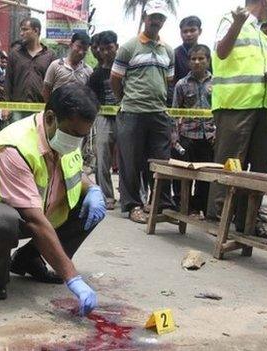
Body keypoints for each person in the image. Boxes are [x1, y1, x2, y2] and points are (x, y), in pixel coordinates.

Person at [0, 83, 105, 316]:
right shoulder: (16, 145)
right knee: (3, 221)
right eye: (73, 134)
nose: (76, 141)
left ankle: (29, 260)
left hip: (37, 210)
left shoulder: (64, 134)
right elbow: (33, 220)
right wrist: (72, 278)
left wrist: (93, 190)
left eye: (82, 136)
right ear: (51, 117)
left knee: (88, 208)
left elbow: (73, 172)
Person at [206, 0, 267, 239]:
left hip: (261, 108)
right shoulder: (232, 20)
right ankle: (219, 220)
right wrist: (237, 24)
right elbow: (221, 52)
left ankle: (248, 222)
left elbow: (263, 72)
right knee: (230, 165)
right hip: (235, 105)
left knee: (258, 170)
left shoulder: (262, 36)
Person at [110, 0, 176, 223]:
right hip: (132, 112)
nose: (156, 21)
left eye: (160, 17)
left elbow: (169, 81)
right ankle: (132, 205)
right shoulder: (129, 47)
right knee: (130, 160)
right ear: (145, 17)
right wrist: (125, 101)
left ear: (164, 21)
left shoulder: (168, 50)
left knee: (161, 161)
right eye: (153, 17)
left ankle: (160, 204)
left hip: (158, 113)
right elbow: (115, 79)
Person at [172, 44, 215, 216]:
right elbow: (175, 112)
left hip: (209, 137)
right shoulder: (181, 85)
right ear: (189, 62)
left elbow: (220, 111)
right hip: (187, 136)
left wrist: (218, 132)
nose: (197, 62)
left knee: (205, 176)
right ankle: (184, 206)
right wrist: (174, 137)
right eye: (193, 59)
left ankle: (199, 206)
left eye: (201, 58)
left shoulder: (216, 83)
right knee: (184, 175)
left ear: (208, 60)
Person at [88, 31, 119, 210]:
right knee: (102, 157)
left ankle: (133, 197)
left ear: (116, 47)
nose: (106, 52)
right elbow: (90, 96)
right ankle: (106, 195)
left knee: (129, 158)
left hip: (125, 116)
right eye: (103, 49)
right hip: (103, 118)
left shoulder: (125, 69)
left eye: (110, 48)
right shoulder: (96, 73)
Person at [4, 18, 55, 123]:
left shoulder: (50, 55)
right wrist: (6, 106)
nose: (21, 33)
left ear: (36, 31)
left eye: (25, 30)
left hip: (40, 108)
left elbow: (53, 84)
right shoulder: (15, 54)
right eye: (20, 30)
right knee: (17, 138)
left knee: (38, 138)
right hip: (17, 108)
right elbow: (8, 81)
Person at [42, 32, 93, 103]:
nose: (81, 52)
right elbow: (46, 90)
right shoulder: (56, 65)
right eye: (79, 47)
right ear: (71, 45)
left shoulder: (88, 70)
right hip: (57, 110)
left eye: (85, 49)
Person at [169, 16, 203, 107]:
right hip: (180, 105)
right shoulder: (174, 54)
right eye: (185, 31)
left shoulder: (205, 55)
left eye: (192, 30)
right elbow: (170, 82)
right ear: (180, 33)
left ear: (200, 31)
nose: (188, 34)